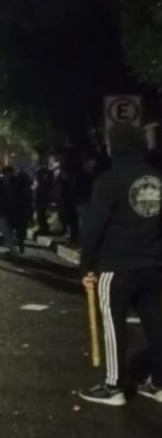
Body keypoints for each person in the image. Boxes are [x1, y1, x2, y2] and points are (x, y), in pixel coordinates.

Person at [78, 125, 162, 406]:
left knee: (113, 325)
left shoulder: (109, 180)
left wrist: (87, 266)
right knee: (155, 323)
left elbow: (93, 228)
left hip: (116, 266)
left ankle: (113, 385)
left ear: (114, 146)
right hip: (152, 265)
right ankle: (159, 383)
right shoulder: (157, 178)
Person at [2, 166, 32, 253]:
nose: (7, 175)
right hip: (9, 209)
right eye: (5, 174)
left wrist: (27, 207)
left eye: (8, 173)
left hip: (19, 209)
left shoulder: (20, 181)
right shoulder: (3, 182)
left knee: (20, 229)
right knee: (9, 229)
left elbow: (27, 194)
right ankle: (12, 249)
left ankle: (21, 246)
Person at [34, 162, 53, 235]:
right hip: (39, 199)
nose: (37, 176)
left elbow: (47, 190)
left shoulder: (44, 183)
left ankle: (44, 228)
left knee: (42, 214)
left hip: (42, 199)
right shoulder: (40, 183)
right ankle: (42, 227)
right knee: (40, 214)